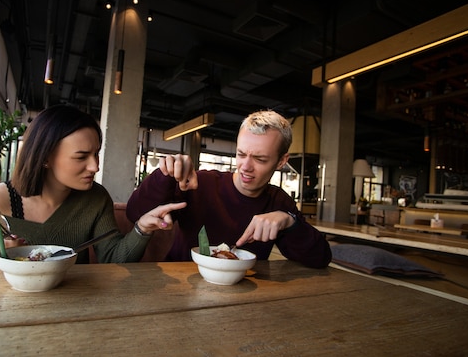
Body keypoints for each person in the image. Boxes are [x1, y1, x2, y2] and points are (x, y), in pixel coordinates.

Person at [0, 105, 185, 266]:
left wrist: (142, 228)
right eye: (81, 156)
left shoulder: (95, 198)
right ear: (44, 158)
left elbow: (113, 260)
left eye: (96, 154)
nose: (95, 166)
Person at [126, 109, 331, 268]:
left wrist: (290, 222)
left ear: (281, 161)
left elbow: (321, 258)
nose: (246, 167)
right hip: (178, 285)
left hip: (243, 296)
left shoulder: (278, 202)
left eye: (260, 159)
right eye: (241, 154)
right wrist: (165, 175)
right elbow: (133, 213)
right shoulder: (200, 184)